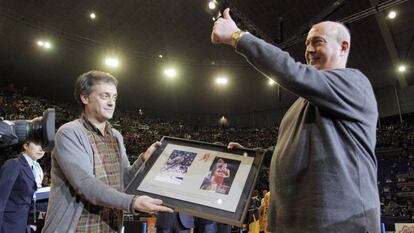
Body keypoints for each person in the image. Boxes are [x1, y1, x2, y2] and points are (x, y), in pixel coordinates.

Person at [212, 9, 380, 232]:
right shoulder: (298, 106)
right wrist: (252, 155)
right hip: (293, 222)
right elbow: (290, 150)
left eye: (318, 42)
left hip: (338, 222)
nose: (309, 50)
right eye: (307, 44)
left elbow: (292, 71)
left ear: (343, 47)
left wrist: (237, 37)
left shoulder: (355, 83)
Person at [42, 71, 172, 233]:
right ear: (85, 98)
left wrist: (143, 160)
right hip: (77, 228)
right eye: (104, 96)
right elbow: (85, 184)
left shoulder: (116, 136)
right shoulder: (69, 133)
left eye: (114, 97)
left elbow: (124, 181)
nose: (111, 103)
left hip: (110, 227)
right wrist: (132, 202)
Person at [0, 140, 45, 233]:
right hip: (9, 224)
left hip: (25, 223)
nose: (41, 149)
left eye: (44, 145)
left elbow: (30, 199)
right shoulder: (14, 164)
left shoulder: (37, 169)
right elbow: (1, 198)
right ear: (25, 145)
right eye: (37, 144)